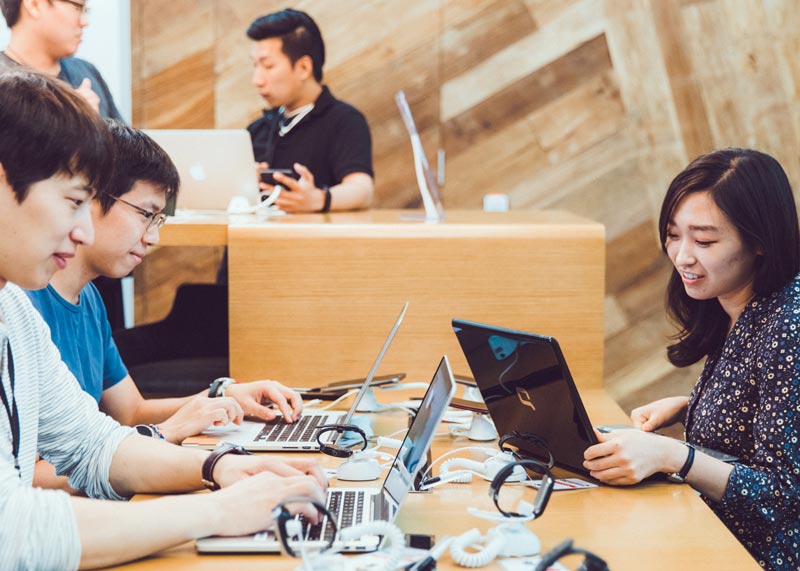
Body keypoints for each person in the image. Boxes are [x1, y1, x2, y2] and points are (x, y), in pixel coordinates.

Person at [0, 70, 326, 570]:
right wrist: (220, 510)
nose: (84, 231)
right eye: (74, 202)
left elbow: (95, 445)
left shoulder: (16, 310)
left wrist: (223, 467)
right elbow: (14, 531)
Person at [25, 120, 308, 494]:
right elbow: (27, 478)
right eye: (146, 214)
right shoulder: (22, 305)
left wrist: (220, 397)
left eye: (158, 219)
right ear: (90, 198)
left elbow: (130, 411)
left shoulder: (89, 298)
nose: (153, 237)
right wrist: (162, 434)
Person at [583, 148, 800, 571]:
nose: (682, 256)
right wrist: (691, 407)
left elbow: (782, 495)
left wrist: (672, 456)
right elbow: (773, 413)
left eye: (704, 241)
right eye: (673, 234)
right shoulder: (736, 304)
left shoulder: (789, 325)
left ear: (759, 241)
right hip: (711, 533)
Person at [1, 0, 128, 329]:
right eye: (77, 7)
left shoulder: (86, 74)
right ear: (34, 4)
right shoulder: (5, 87)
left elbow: (125, 162)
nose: (84, 22)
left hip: (89, 275)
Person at [246, 8, 374, 214]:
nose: (257, 80)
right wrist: (243, 184)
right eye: (255, 66)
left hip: (314, 234)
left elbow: (362, 190)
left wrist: (319, 199)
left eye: (268, 66)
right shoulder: (257, 129)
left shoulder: (345, 121)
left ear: (304, 68)